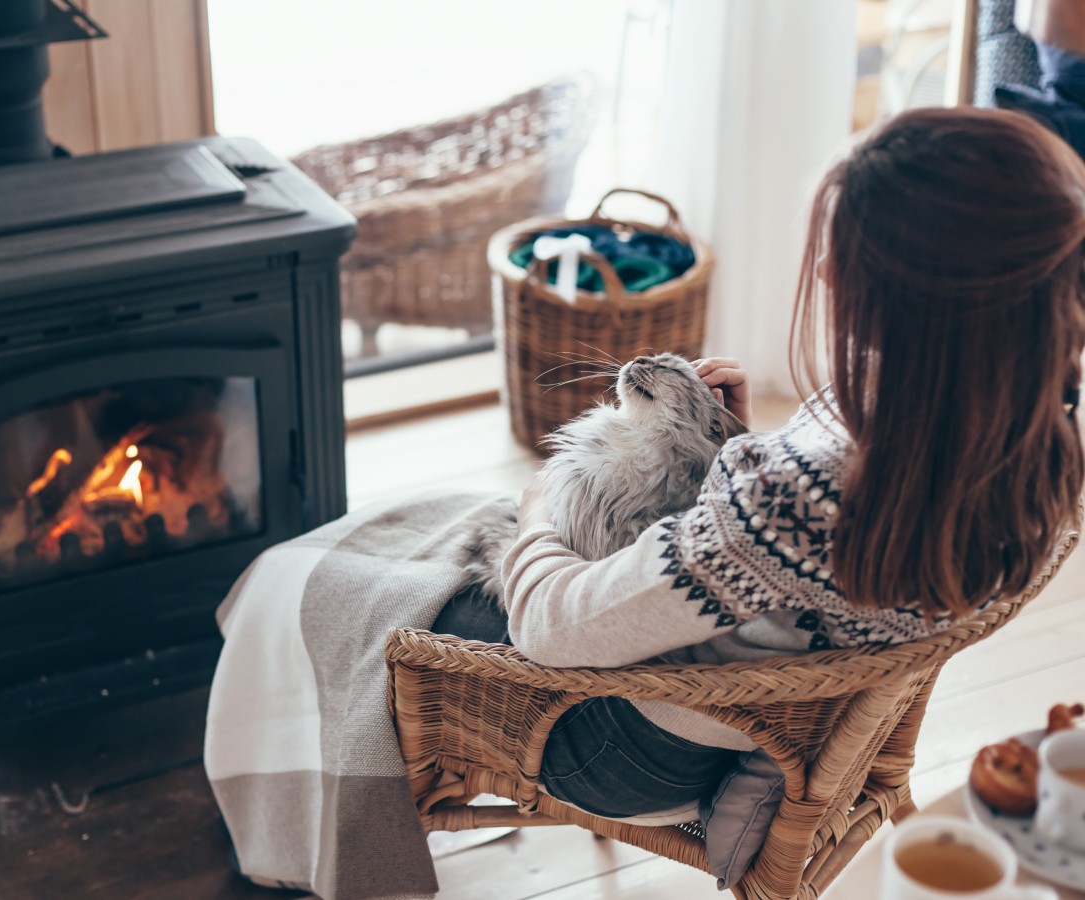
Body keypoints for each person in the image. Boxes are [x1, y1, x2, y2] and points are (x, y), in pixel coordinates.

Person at [431, 105, 1085, 819]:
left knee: (401, 599)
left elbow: (550, 629)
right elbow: (806, 565)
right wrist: (742, 452)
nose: (829, 273)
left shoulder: (794, 499)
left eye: (848, 257)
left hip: (633, 752)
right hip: (797, 731)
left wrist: (539, 514)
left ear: (919, 298)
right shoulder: (1042, 431)